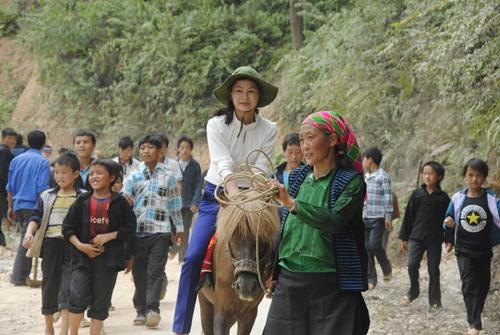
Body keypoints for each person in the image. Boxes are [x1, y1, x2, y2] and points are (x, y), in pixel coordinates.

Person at [172, 65, 278, 334]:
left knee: (277, 242)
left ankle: (277, 286)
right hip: (217, 197)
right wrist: (233, 197)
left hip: (255, 194)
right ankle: (181, 327)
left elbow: (261, 168)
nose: (245, 96)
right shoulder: (216, 125)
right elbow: (222, 162)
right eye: (239, 91)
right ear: (231, 95)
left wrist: (251, 199)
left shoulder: (269, 128)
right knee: (194, 256)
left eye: (251, 91)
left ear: (259, 97)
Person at [264, 111, 369, 335]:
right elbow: (287, 226)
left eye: (310, 137)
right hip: (290, 280)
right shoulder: (298, 176)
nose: (304, 146)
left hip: (331, 284)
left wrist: (291, 203)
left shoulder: (351, 181)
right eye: (301, 139)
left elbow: (335, 221)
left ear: (332, 140)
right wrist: (275, 272)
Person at [62, 159, 135, 335]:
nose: (94, 177)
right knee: (77, 296)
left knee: (101, 301)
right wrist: (81, 246)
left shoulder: (120, 202)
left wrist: (110, 236)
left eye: (99, 173)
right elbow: (67, 228)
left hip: (108, 261)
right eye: (92, 173)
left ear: (112, 178)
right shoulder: (82, 200)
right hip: (82, 258)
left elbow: (130, 229)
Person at [122, 134, 183, 329]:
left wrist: (179, 228)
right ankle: (140, 309)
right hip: (138, 231)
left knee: (155, 271)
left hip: (161, 231)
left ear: (160, 152)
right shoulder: (133, 175)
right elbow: (124, 199)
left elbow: (174, 204)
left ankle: (152, 310)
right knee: (139, 272)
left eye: (150, 148)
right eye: (143, 147)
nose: (146, 151)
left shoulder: (169, 176)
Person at [22, 153, 85, 335]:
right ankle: (49, 327)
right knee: (49, 286)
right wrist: (29, 233)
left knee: (69, 288)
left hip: (74, 246)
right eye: (57, 172)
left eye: (64, 172)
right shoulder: (47, 196)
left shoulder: (83, 197)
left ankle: (64, 331)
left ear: (75, 174)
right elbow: (36, 217)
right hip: (51, 246)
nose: (59, 176)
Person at [444, 158, 499, 335]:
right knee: (469, 283)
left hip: (483, 249)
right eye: (470, 175)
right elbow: (448, 218)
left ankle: (475, 316)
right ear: (464, 177)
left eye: (478, 175)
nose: (474, 179)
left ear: (484, 178)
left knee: (483, 285)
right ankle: (474, 323)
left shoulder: (491, 198)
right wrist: (448, 225)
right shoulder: (458, 198)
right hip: (463, 249)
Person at [398, 161, 450, 311]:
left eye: (431, 173)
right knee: (412, 265)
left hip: (434, 238)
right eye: (425, 173)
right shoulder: (417, 194)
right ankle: (413, 291)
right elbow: (408, 216)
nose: (427, 176)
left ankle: (434, 302)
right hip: (416, 236)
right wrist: (404, 237)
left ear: (439, 176)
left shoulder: (443, 198)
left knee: (433, 269)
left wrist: (448, 239)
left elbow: (448, 220)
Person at [7, 130, 51, 285]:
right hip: (33, 205)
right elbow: (42, 189)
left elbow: (10, 187)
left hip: (18, 204)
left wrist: (10, 206)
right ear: (43, 143)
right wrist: (43, 209)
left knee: (25, 238)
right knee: (27, 239)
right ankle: (18, 277)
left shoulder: (16, 160)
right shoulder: (43, 162)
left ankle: (21, 275)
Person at [362, 147, 393, 289]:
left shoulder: (383, 177)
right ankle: (371, 279)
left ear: (371, 160)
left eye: (364, 159)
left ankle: (386, 267)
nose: (362, 162)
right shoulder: (365, 177)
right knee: (367, 248)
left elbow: (388, 198)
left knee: (374, 245)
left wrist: (388, 216)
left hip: (378, 217)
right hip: (365, 217)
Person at [169, 135, 202, 263]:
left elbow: (199, 185)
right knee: (173, 228)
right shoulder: (173, 164)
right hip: (174, 204)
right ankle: (172, 250)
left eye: (187, 148)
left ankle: (182, 257)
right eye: (182, 147)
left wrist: (196, 202)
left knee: (185, 230)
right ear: (178, 149)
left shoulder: (195, 165)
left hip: (188, 204)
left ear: (191, 149)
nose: (184, 150)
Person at [0, 127, 17, 246]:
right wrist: (7, 191)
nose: (12, 141)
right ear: (3, 138)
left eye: (14, 139)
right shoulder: (3, 151)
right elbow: (3, 173)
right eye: (9, 138)